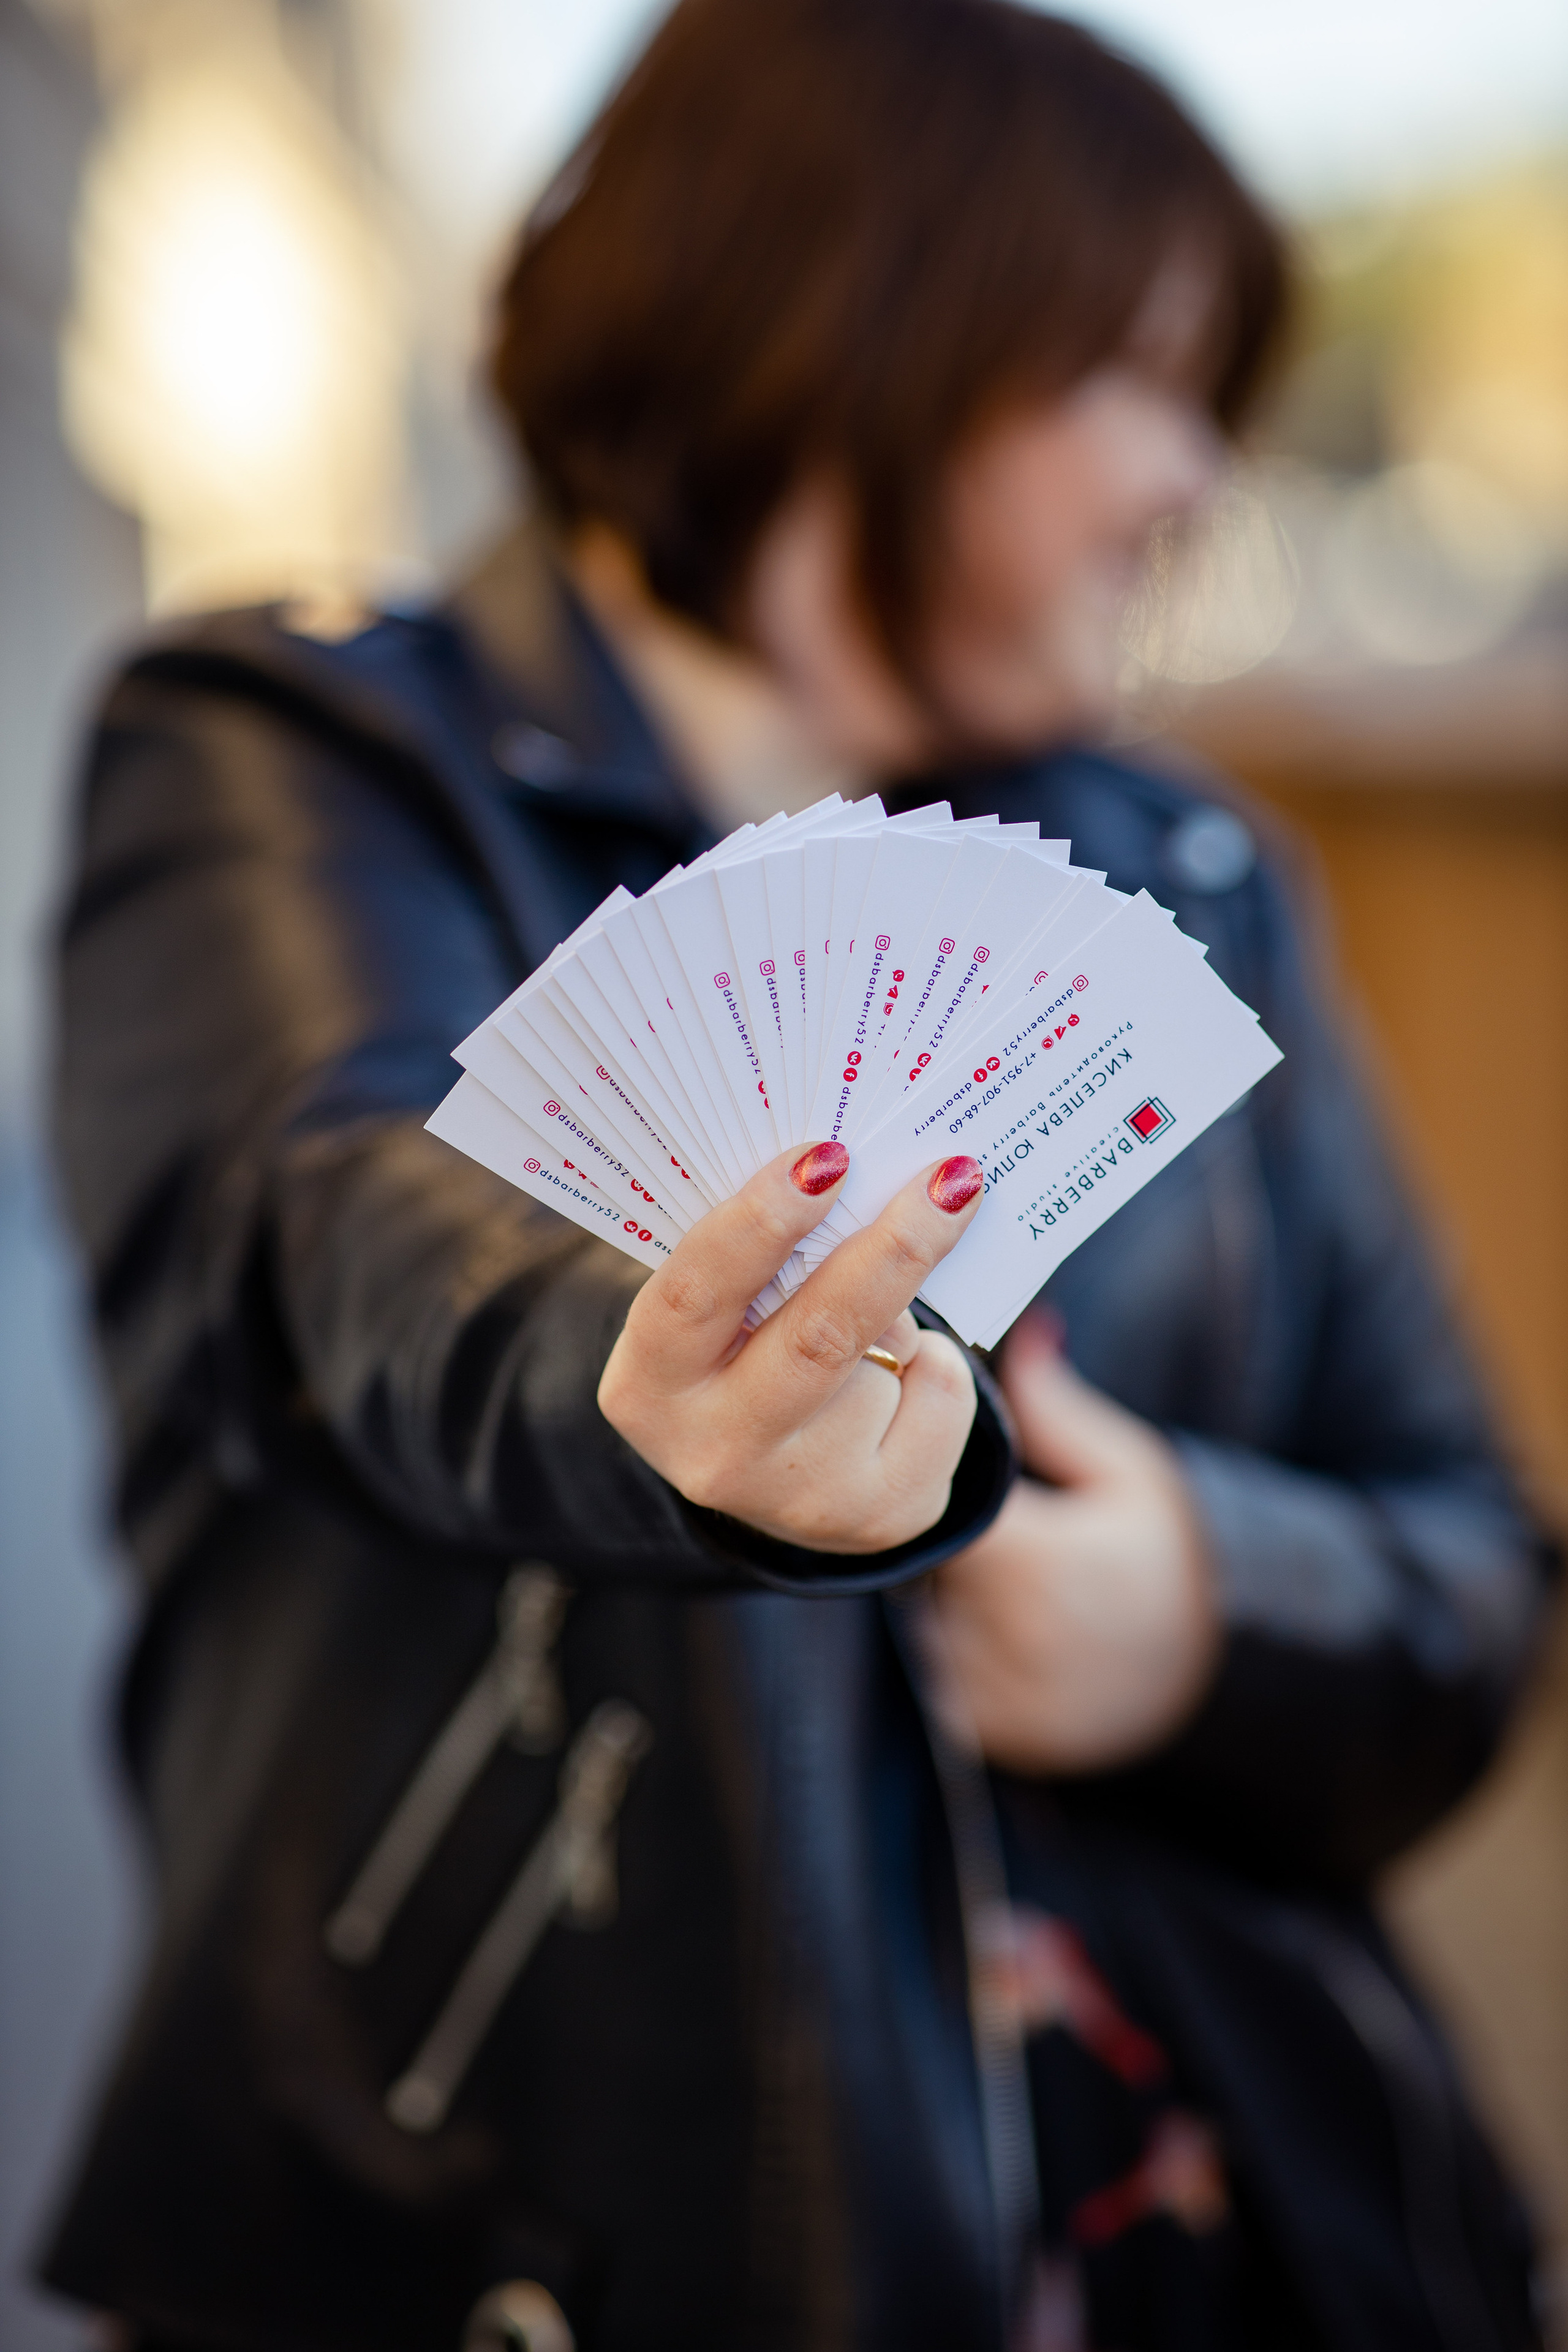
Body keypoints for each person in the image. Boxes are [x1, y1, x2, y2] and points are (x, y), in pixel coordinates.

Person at [39, 1, 1553, 2346]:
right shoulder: (304, 748)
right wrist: (650, 1383)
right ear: (865, 328)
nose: (1194, 486)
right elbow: (327, 1236)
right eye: (1140, 380)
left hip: (1226, 2222)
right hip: (518, 2250)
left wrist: (1202, 1607)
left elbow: (1474, 1567)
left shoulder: (1194, 871)